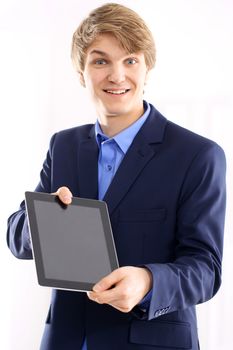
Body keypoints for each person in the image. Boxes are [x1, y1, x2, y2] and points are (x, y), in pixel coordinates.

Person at [7, 3, 226, 350]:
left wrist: (149, 281)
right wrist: (42, 222)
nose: (117, 76)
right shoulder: (63, 146)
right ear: (81, 72)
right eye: (100, 61)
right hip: (66, 340)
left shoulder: (197, 155)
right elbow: (16, 234)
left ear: (147, 67)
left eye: (130, 60)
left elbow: (206, 268)